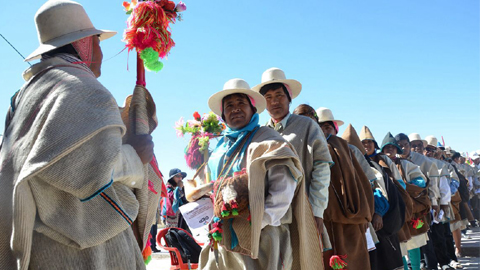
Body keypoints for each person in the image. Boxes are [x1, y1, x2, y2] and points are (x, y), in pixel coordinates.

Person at [0, 0, 155, 269]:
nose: (101, 51)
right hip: (83, 250)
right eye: (98, 42)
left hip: (32, 239)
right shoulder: (82, 88)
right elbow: (83, 169)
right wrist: (134, 154)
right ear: (85, 44)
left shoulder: (23, 97)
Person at [196, 78, 323, 270]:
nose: (235, 109)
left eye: (241, 103)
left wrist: (256, 223)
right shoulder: (220, 149)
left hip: (262, 235)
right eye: (229, 105)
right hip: (223, 235)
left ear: (253, 109)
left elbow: (283, 188)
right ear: (223, 114)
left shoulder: (268, 140)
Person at [252, 68, 332, 238]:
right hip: (272, 216)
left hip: (303, 209)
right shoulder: (261, 133)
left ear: (289, 97)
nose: (274, 102)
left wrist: (317, 209)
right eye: (269, 98)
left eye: (279, 95)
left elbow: (322, 166)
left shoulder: (307, 125)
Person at [293, 105, 374, 270]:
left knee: (352, 261)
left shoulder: (345, 148)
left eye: (313, 121)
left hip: (348, 217)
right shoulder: (295, 147)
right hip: (310, 218)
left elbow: (364, 182)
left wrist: (366, 214)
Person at [381, 132, 430, 270]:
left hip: (409, 210)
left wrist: (403, 187)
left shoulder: (406, 164)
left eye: (393, 147)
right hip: (391, 212)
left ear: (397, 149)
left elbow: (421, 181)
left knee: (413, 243)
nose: (390, 150)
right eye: (387, 147)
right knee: (399, 245)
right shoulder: (377, 164)